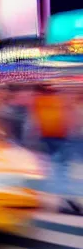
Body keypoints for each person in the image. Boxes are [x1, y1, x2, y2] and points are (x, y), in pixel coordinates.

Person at [32, 84, 81, 215]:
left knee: (56, 169)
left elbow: (35, 121)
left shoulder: (38, 100)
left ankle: (63, 201)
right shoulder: (60, 100)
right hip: (61, 138)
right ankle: (66, 202)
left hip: (48, 138)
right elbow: (70, 118)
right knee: (62, 170)